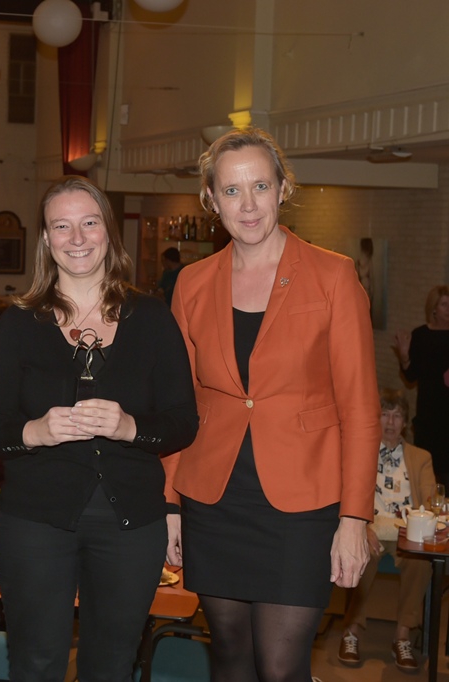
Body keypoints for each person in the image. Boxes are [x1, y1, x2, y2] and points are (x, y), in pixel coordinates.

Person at [168, 127, 380, 681]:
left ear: (283, 189)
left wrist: (355, 517)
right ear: (211, 200)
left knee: (282, 668)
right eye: (232, 191)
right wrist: (168, 501)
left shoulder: (333, 275)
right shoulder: (191, 283)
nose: (248, 204)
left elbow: (360, 406)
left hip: (303, 504)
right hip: (213, 500)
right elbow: (175, 402)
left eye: (260, 185)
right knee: (230, 657)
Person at [0, 175, 199, 682]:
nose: (77, 238)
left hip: (130, 524)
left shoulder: (153, 319)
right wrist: (35, 431)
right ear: (47, 240)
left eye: (89, 222)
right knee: (36, 664)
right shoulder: (18, 324)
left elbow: (184, 422)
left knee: (112, 666)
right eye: (62, 226)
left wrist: (129, 427)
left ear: (108, 232)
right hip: (36, 520)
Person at [339, 388, 434, 672]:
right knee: (362, 551)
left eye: (397, 416)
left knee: (421, 560)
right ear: (374, 418)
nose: (390, 422)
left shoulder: (420, 457)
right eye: (384, 414)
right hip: (370, 527)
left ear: (405, 422)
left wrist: (418, 519)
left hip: (408, 530)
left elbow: (430, 501)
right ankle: (352, 631)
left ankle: (402, 636)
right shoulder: (360, 454)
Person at [394, 284, 449, 483]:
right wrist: (404, 356)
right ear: (434, 308)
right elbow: (410, 376)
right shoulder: (421, 335)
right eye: (445, 305)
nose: (448, 309)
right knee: (427, 473)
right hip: (429, 417)